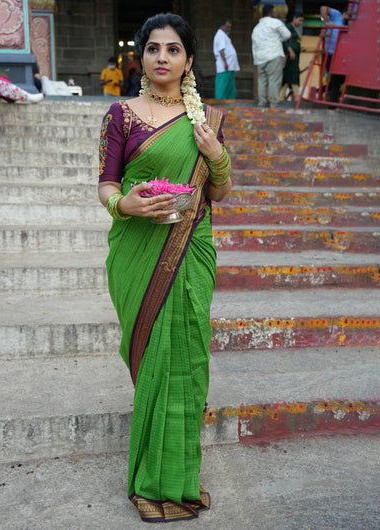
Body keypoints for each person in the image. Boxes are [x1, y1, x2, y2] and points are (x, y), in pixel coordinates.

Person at [97, 12, 232, 523]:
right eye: (153, 49)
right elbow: (107, 184)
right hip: (138, 251)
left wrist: (216, 155)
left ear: (189, 60)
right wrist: (123, 206)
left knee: (186, 363)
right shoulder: (121, 115)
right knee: (154, 360)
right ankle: (150, 482)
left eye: (172, 50)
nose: (161, 58)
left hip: (190, 250)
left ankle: (177, 479)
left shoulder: (207, 122)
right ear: (141, 57)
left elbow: (218, 193)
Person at [251, 4, 291, 107]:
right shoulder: (276, 23)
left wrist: (256, 61)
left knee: (262, 81)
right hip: (273, 55)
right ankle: (273, 104)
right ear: (271, 13)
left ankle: (262, 103)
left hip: (260, 59)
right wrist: (279, 39)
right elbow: (287, 35)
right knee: (273, 80)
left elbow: (254, 45)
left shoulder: (256, 28)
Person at [320, 5, 352, 103]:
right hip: (330, 53)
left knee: (340, 78)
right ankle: (331, 99)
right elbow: (323, 8)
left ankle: (326, 93)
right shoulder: (337, 15)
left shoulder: (350, 24)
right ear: (345, 13)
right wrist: (326, 22)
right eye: (349, 15)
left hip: (341, 55)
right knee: (336, 77)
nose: (350, 18)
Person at [280, 11, 305, 101]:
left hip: (295, 56)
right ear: (294, 18)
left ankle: (281, 97)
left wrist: (299, 48)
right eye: (300, 20)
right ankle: (297, 97)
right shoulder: (288, 27)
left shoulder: (294, 28)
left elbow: (294, 42)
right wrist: (291, 51)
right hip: (291, 57)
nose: (301, 23)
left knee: (289, 76)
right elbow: (285, 41)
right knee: (292, 75)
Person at [213, 18, 240, 99]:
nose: (229, 28)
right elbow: (221, 50)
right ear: (222, 25)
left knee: (229, 84)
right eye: (227, 26)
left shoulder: (224, 35)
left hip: (229, 65)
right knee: (222, 84)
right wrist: (225, 62)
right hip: (225, 65)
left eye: (230, 27)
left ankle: (230, 100)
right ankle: (220, 101)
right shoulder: (220, 34)